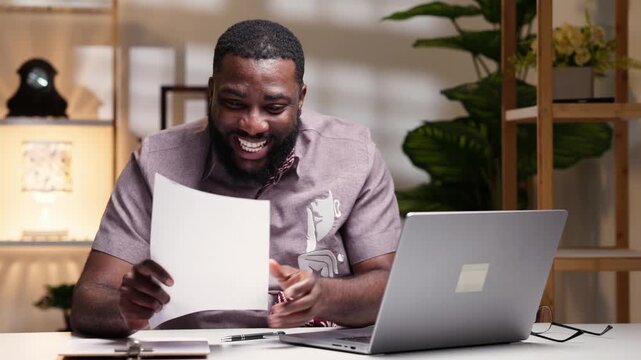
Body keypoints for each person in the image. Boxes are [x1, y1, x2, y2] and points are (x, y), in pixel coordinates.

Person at [70, 19, 401, 337]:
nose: (253, 124)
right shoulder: (157, 160)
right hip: (195, 352)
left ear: (300, 99)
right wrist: (125, 308)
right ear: (211, 92)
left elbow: (390, 286)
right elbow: (89, 299)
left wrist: (324, 296)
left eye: (274, 107)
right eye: (234, 103)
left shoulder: (353, 156)